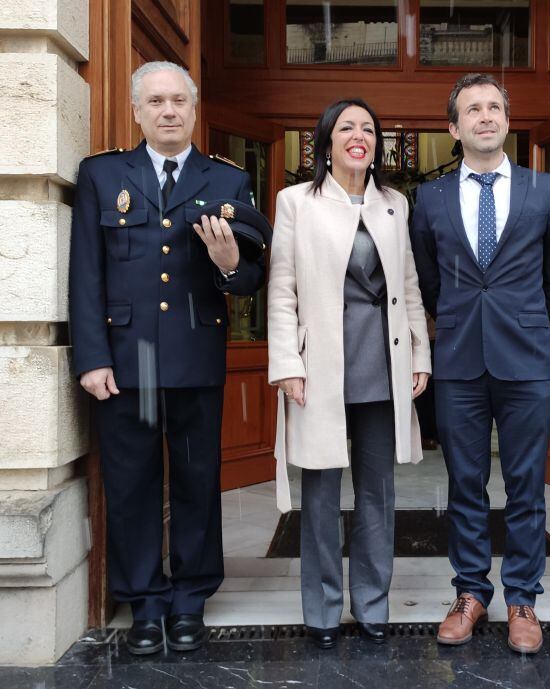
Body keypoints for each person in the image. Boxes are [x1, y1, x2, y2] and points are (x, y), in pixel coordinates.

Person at [68, 61, 264, 655]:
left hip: (192, 356)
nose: (169, 110)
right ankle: (145, 601)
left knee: (197, 480)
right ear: (136, 111)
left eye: (178, 100)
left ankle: (190, 599)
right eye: (156, 101)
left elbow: (254, 275)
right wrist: (90, 357)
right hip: (126, 361)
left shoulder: (226, 180)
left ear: (195, 108)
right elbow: (86, 273)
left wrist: (230, 263)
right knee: (130, 483)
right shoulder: (103, 175)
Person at [410, 73, 550, 655]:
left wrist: (523, 317)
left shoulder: (547, 189)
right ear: (454, 127)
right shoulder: (427, 199)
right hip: (458, 361)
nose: (485, 116)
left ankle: (523, 597)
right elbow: (429, 279)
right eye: (472, 109)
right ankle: (470, 592)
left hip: (526, 358)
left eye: (495, 107)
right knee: (466, 485)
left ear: (507, 120)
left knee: (527, 485)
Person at [267, 99, 432, 649]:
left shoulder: (394, 204)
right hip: (319, 371)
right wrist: (287, 364)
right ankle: (321, 610)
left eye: (368, 128)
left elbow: (407, 286)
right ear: (327, 141)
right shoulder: (296, 202)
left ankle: (372, 604)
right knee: (318, 496)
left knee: (378, 496)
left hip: (382, 367)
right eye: (346, 128)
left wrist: (420, 355)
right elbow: (282, 290)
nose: (358, 136)